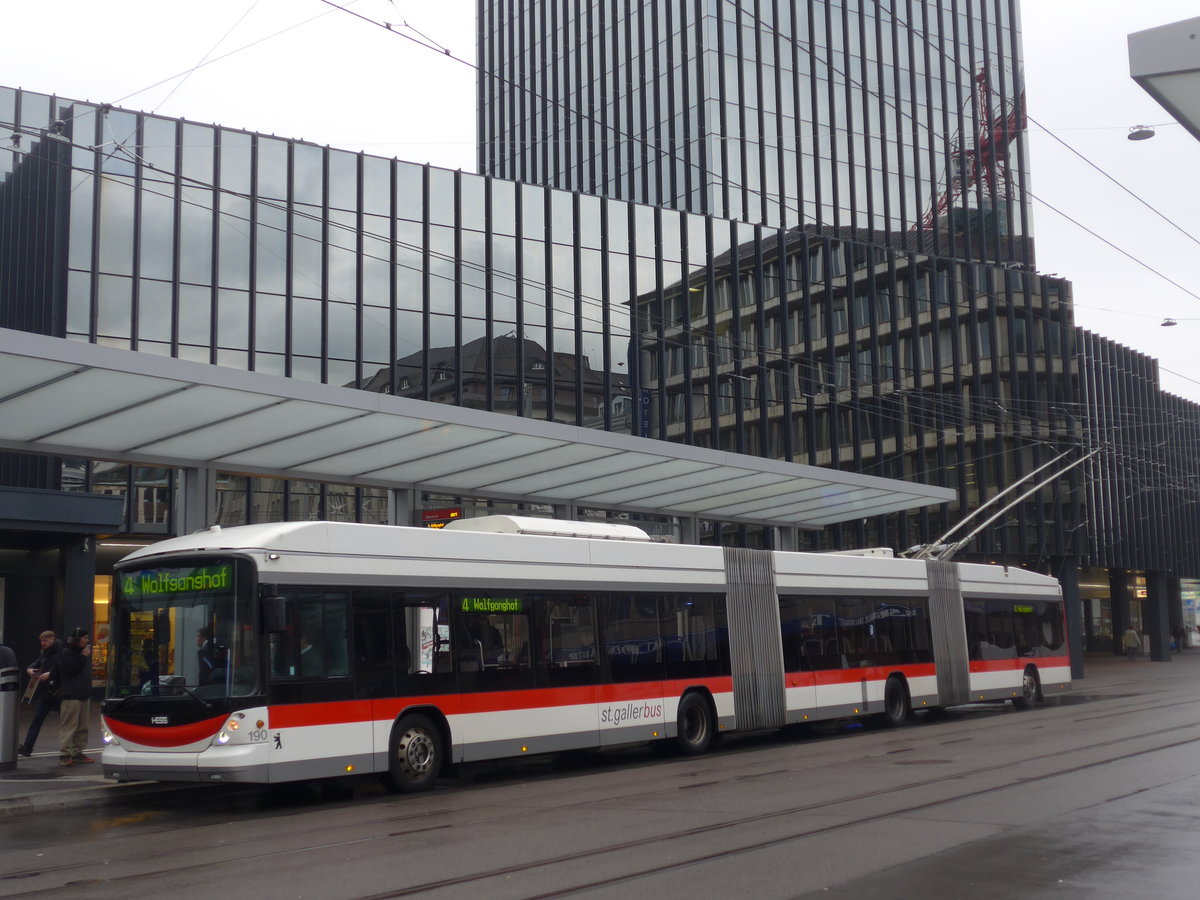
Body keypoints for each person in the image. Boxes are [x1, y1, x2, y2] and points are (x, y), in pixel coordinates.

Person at [53, 627, 93, 766]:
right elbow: (73, 670)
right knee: (69, 726)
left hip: (82, 694)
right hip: (71, 695)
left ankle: (77, 752)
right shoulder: (66, 652)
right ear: (78, 639)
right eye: (85, 638)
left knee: (82, 726)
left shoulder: (77, 652)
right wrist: (83, 657)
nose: (87, 641)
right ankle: (65, 754)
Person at [17, 630, 61, 757]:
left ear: (52, 639)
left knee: (65, 723)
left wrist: (50, 674)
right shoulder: (45, 653)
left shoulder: (61, 652)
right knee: (37, 719)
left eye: (45, 640)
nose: (42, 643)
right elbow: (36, 663)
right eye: (41, 641)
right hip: (46, 692)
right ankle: (27, 748)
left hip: (58, 692)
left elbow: (62, 667)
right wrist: (30, 669)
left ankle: (68, 750)